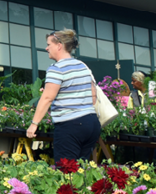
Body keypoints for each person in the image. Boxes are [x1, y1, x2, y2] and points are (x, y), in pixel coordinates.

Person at [27, 29, 101, 163]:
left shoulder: (57, 68)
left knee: (66, 172)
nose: (46, 48)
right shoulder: (83, 66)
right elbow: (93, 95)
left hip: (71, 125)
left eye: (49, 44)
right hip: (91, 123)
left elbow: (47, 98)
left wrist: (34, 124)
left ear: (59, 46)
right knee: (81, 171)